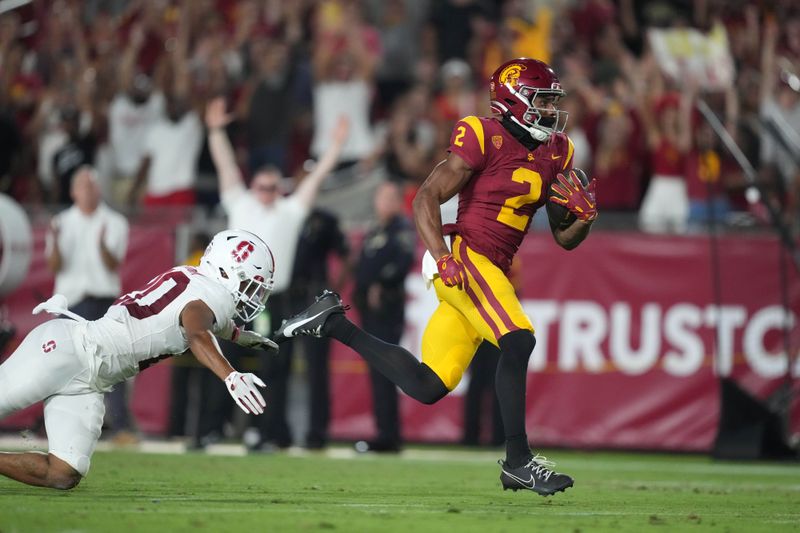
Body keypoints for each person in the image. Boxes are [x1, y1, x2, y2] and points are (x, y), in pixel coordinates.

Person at [276, 58, 597, 496]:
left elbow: (565, 238)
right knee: (519, 338)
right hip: (466, 257)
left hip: (492, 268)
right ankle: (519, 461)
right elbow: (425, 196)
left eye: (551, 102)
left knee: (429, 385)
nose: (548, 111)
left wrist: (584, 219)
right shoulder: (483, 133)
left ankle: (334, 323)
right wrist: (442, 255)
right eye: (541, 100)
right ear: (514, 99)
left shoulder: (558, 150)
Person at [0, 229, 277, 489]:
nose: (253, 295)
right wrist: (229, 375)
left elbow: (198, 316)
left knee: (64, 473)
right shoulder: (212, 297)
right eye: (249, 284)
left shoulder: (196, 279)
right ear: (226, 271)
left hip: (88, 380)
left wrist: (238, 335)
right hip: (68, 351)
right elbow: (196, 330)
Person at [205, 97, 349, 449]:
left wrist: (336, 146)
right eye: (262, 187)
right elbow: (226, 167)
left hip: (272, 299)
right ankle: (214, 428)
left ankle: (269, 433)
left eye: (272, 187)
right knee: (224, 361)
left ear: (279, 189)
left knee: (275, 368)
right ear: (254, 187)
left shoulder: (288, 211)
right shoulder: (241, 203)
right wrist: (215, 132)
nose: (267, 194)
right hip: (233, 300)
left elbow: (316, 178)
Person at [45, 165, 132, 442]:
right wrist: (56, 242)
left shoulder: (115, 222)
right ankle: (57, 424)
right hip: (70, 302)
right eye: (82, 185)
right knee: (64, 365)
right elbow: (54, 266)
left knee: (112, 362)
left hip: (102, 298)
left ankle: (119, 424)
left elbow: (113, 263)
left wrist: (101, 245)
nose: (88, 190)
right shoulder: (60, 222)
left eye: (92, 185)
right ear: (73, 191)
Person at [353, 180, 416, 453]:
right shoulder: (375, 229)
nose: (385, 203)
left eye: (391, 197)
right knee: (378, 372)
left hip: (387, 308)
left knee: (386, 371)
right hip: (370, 310)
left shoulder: (401, 229)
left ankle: (389, 435)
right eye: (382, 197)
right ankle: (383, 431)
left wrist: (380, 283)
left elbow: (403, 262)